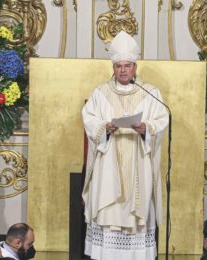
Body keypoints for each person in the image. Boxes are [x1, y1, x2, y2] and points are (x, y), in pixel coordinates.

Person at [82, 31, 169, 259]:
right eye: (118, 65)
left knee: (136, 208)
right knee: (109, 208)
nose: (122, 70)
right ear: (113, 67)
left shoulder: (151, 92)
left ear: (135, 66)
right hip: (109, 159)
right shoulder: (100, 93)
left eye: (127, 65)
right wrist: (104, 128)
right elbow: (89, 119)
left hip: (139, 160)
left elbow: (161, 120)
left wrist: (146, 129)